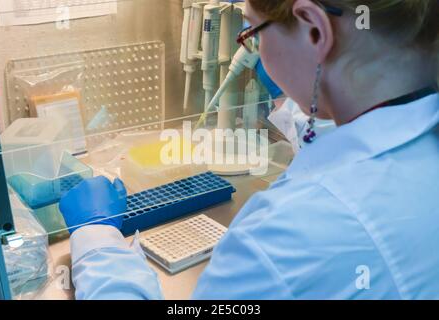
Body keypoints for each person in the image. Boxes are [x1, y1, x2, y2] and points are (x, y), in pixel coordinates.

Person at [59, 0, 439, 299]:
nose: (254, 49)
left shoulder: (281, 239)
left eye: (253, 32)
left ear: (313, 30)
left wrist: (95, 241)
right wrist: (293, 98)